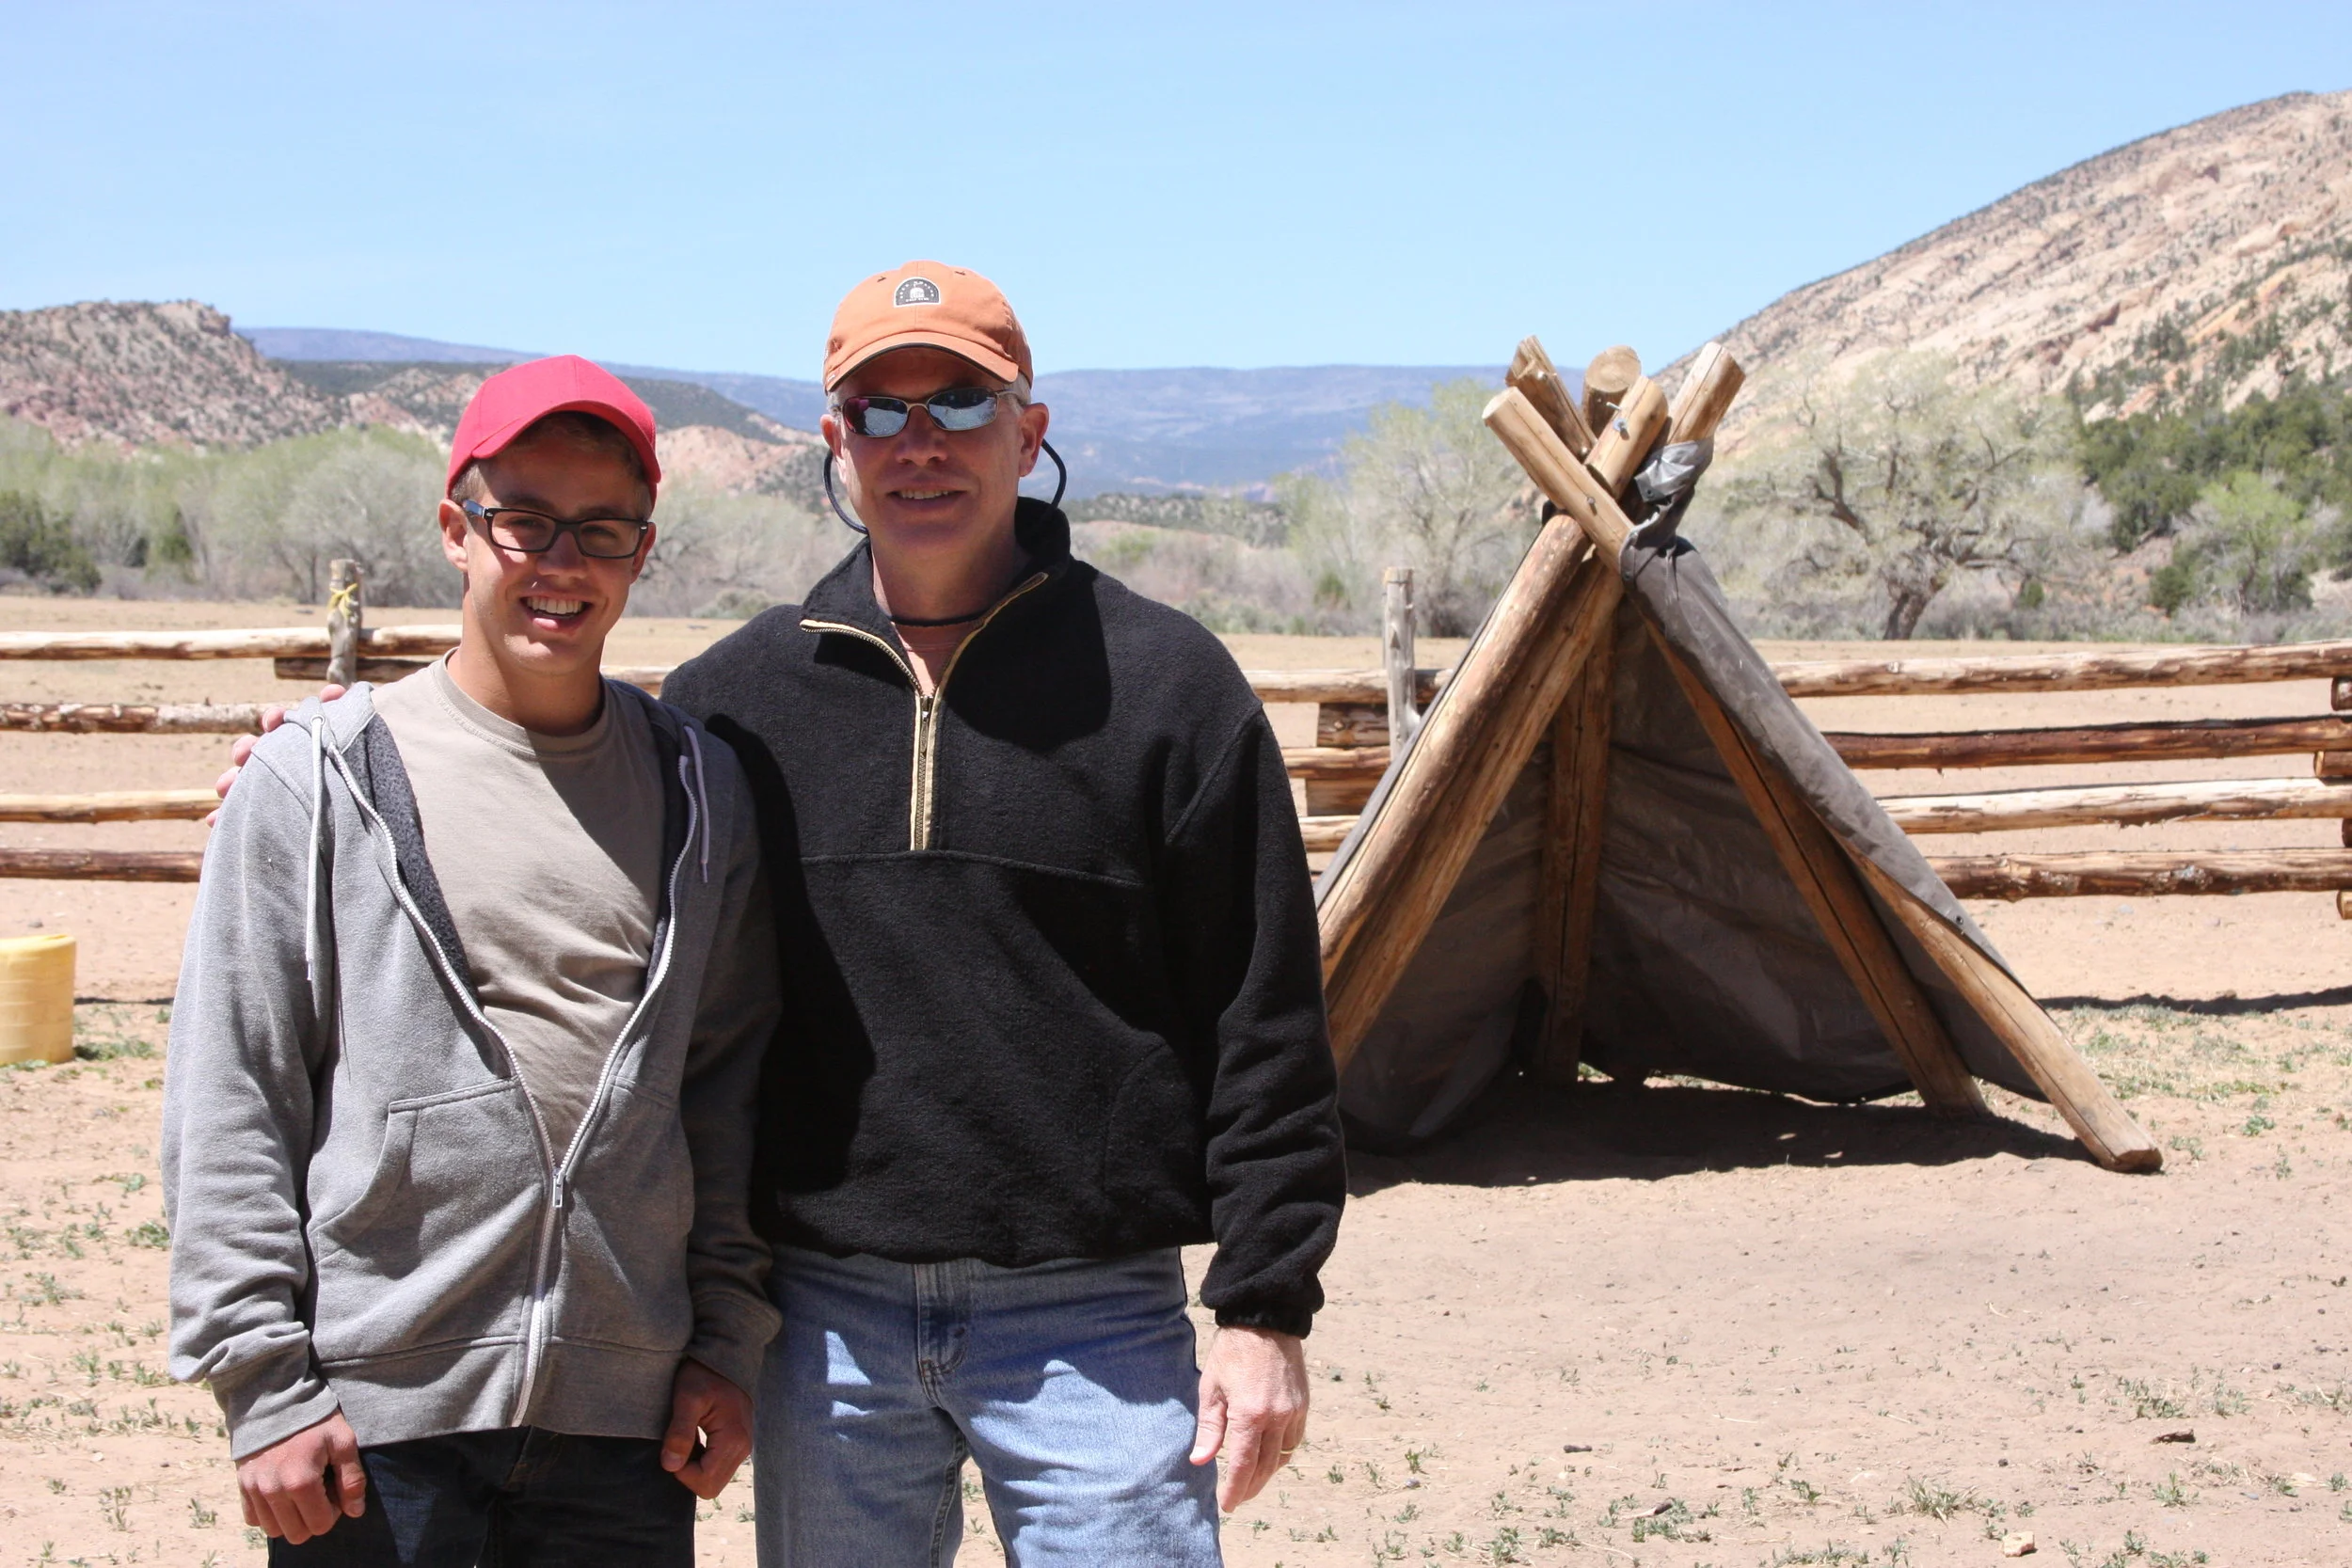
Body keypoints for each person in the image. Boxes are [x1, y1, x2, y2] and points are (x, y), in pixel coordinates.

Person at [658, 261, 1348, 1564]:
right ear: (833, 440)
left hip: (1095, 1316)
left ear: (1030, 432)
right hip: (823, 1318)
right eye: (882, 409)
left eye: (962, 404)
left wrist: (1265, 1305)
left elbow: (1265, 1010)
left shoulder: (1165, 686)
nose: (921, 443)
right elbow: (560, 795)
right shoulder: (735, 700)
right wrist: (327, 760)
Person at [167, 356, 780, 1564]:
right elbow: (233, 1088)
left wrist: (723, 1339)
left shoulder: (700, 791)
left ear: (642, 552)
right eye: (524, 522)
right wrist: (262, 1382)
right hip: (371, 1421)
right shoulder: (322, 777)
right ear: (457, 529)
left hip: (625, 1420)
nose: (561, 563)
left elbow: (724, 1092)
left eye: (601, 530)